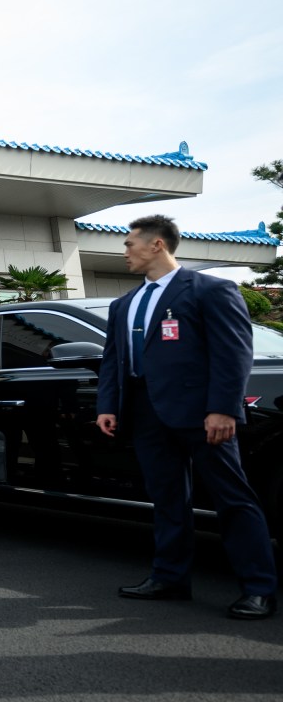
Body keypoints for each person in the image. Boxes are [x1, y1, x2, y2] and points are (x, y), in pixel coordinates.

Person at [96, 214, 277, 620]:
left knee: (233, 499)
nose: (125, 251)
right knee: (167, 499)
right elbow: (114, 359)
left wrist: (223, 409)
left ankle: (259, 588)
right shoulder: (123, 303)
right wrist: (107, 405)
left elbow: (233, 353)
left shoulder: (209, 290)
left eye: (129, 244)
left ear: (156, 244)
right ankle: (169, 578)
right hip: (144, 412)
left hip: (202, 414)